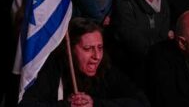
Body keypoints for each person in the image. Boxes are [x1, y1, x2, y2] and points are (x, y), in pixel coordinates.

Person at [19, 18, 149, 107]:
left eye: (100, 48)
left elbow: (141, 102)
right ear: (70, 49)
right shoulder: (53, 67)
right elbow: (26, 104)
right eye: (88, 49)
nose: (97, 56)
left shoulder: (106, 68)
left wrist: (95, 104)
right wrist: (67, 105)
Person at [112, 0, 171, 82]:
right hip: (132, 72)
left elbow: (163, 38)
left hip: (157, 67)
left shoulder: (164, 3)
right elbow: (135, 46)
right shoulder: (124, 5)